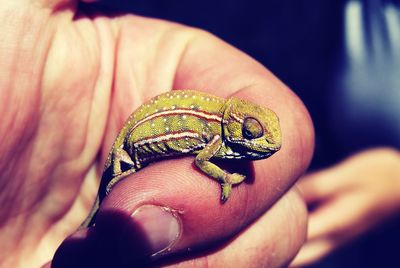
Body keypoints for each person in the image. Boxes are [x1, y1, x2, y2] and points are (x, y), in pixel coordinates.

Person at [0, 1, 313, 267]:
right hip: (128, 154)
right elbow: (203, 162)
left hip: (132, 149)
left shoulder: (221, 126)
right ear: (234, 124)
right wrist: (225, 177)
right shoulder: (216, 136)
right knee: (103, 210)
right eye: (252, 132)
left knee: (106, 224)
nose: (268, 141)